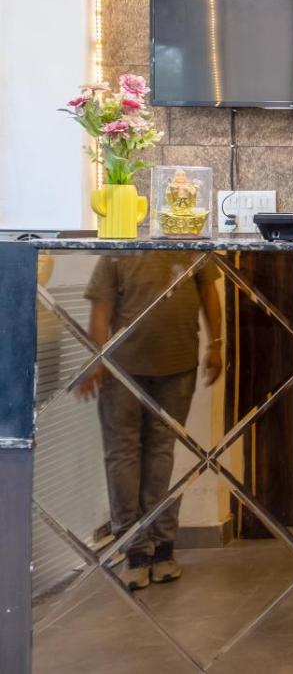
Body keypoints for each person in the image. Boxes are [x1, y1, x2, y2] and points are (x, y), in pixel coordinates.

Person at [80, 252, 223, 591]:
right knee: (123, 455)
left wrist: (216, 345)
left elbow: (208, 292)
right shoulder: (117, 251)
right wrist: (97, 359)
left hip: (178, 366)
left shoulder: (190, 244)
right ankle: (134, 550)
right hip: (122, 371)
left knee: (161, 451)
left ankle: (162, 547)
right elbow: (101, 308)